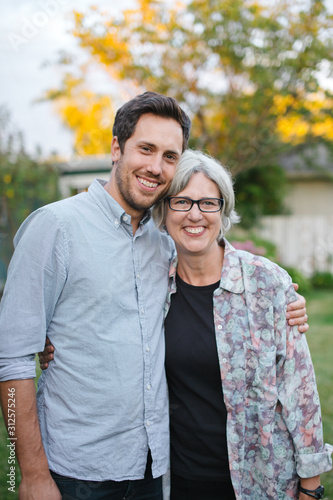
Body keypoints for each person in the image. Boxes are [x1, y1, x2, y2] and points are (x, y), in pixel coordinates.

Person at [0, 91, 307, 500]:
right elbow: (11, 357)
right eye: (145, 149)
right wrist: (33, 473)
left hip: (154, 468)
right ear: (116, 148)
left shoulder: (165, 246)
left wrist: (282, 302)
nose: (155, 167)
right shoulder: (55, 227)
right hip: (75, 472)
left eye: (169, 155)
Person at [151, 149, 332, 500]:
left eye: (207, 203)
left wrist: (311, 486)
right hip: (180, 482)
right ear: (164, 209)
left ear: (223, 210)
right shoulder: (150, 285)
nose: (194, 215)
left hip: (262, 483)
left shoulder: (266, 283)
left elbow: (300, 389)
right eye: (182, 202)